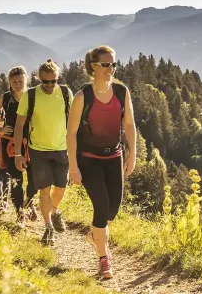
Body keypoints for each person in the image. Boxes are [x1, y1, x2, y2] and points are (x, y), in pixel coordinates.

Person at [67, 45, 136, 279]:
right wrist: (73, 167)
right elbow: (71, 134)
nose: (111, 69)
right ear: (93, 67)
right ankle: (103, 259)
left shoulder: (121, 91)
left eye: (114, 64)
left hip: (114, 156)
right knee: (101, 206)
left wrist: (132, 154)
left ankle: (95, 236)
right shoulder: (82, 97)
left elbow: (128, 124)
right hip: (89, 159)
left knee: (112, 210)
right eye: (106, 64)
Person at [15, 59, 72, 245]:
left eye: (53, 81)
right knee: (45, 190)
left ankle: (54, 211)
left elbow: (73, 123)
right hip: (38, 150)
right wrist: (18, 154)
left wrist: (76, 148)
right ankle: (48, 227)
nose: (49, 85)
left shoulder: (64, 92)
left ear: (58, 78)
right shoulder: (30, 96)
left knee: (61, 188)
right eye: (45, 81)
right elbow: (19, 126)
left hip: (62, 148)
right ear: (38, 79)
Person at [0, 66, 37, 224]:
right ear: (9, 82)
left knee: (35, 180)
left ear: (27, 80)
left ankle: (29, 202)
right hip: (10, 144)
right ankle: (20, 214)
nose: (17, 84)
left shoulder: (33, 95)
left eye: (20, 81)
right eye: (14, 82)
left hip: (33, 142)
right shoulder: (5, 98)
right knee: (16, 180)